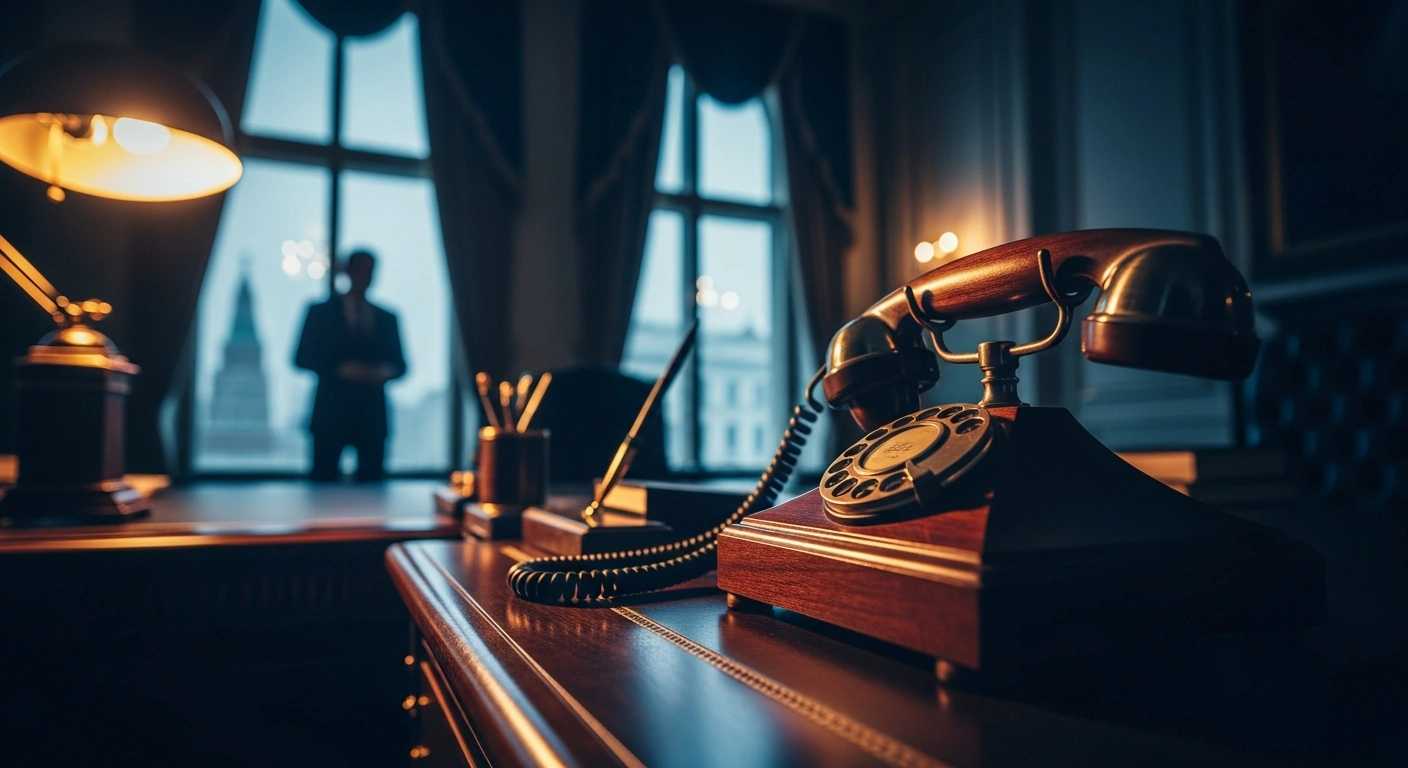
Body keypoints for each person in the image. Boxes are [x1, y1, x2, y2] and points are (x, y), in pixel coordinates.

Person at [294, 250, 406, 481]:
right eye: (361, 270)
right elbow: (301, 357)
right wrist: (341, 370)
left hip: (371, 418)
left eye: (370, 271)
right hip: (330, 415)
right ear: (349, 271)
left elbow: (401, 365)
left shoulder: (387, 318)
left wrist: (382, 373)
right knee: (322, 486)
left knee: (373, 487)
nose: (366, 276)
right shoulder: (320, 313)